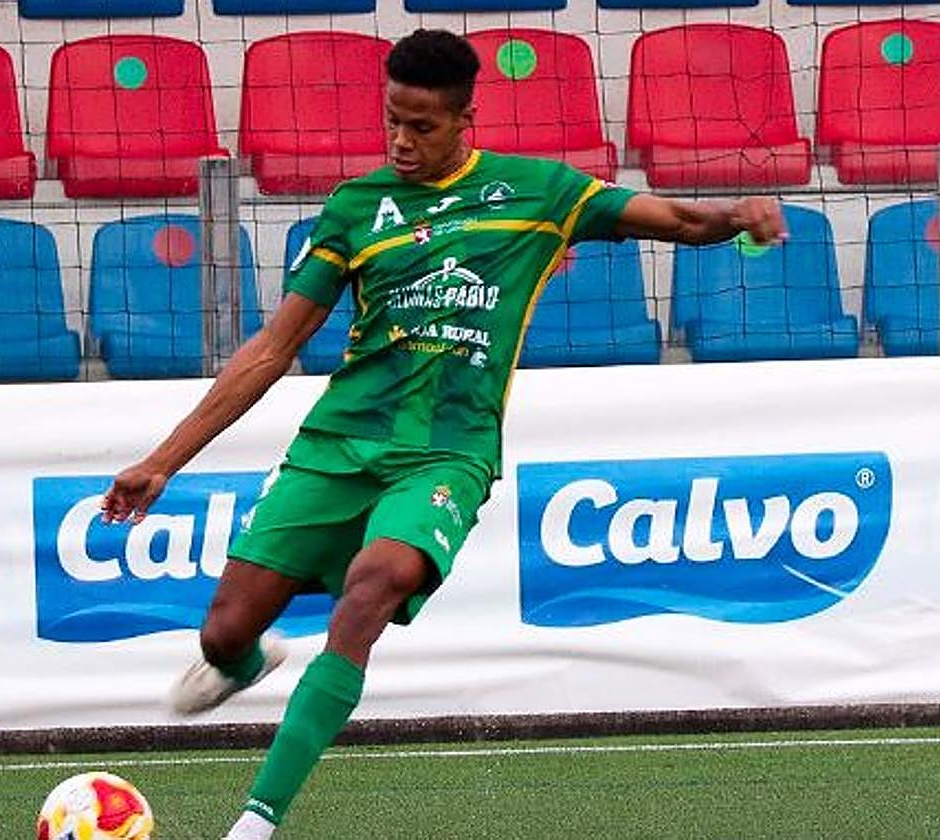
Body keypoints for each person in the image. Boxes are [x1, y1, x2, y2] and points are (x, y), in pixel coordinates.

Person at [101, 28, 787, 840]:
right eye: (392, 119)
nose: (401, 140)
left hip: (448, 452)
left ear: (467, 119)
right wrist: (162, 462)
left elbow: (667, 217)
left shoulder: (535, 194)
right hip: (340, 444)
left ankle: (255, 822)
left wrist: (734, 216)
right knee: (222, 633)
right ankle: (244, 662)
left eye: (422, 126)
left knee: (372, 585)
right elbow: (272, 348)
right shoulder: (357, 209)